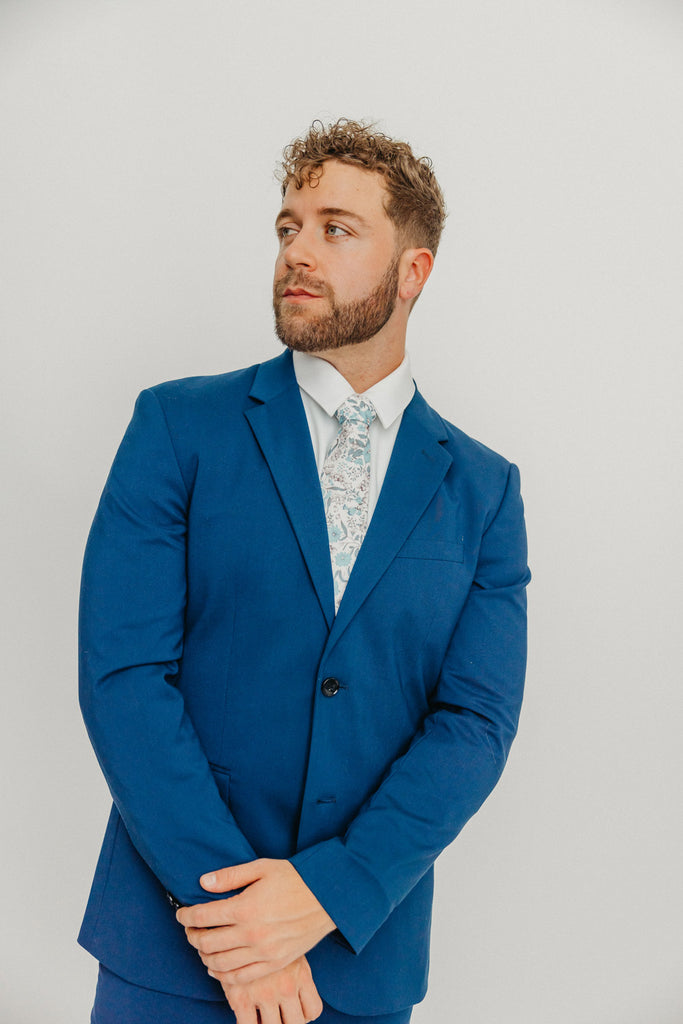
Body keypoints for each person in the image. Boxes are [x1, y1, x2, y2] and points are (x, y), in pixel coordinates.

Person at [78, 118, 530, 1024]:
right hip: (169, 955)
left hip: (359, 962)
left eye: (336, 228)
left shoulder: (483, 489)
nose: (297, 252)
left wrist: (325, 896)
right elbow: (124, 679)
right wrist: (238, 931)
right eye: (288, 227)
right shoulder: (176, 428)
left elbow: (475, 725)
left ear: (413, 272)